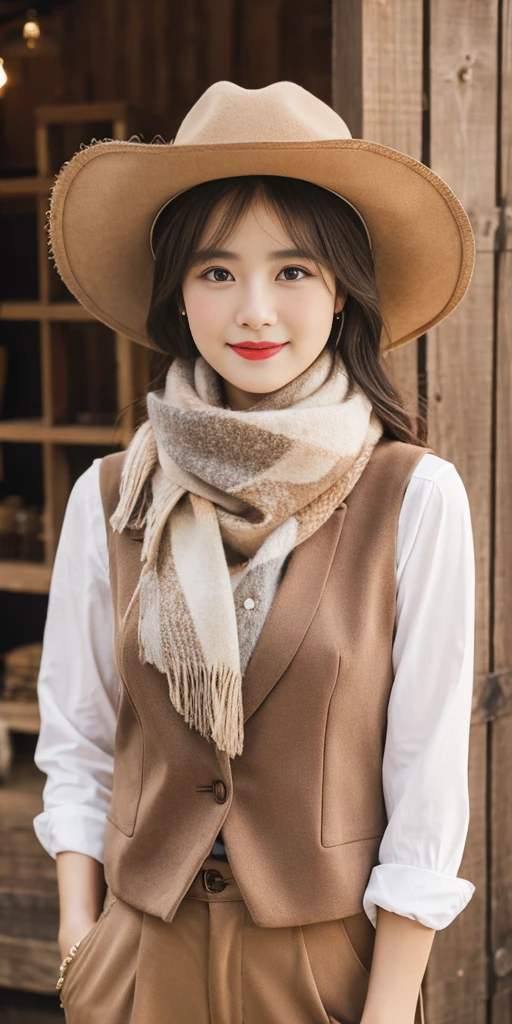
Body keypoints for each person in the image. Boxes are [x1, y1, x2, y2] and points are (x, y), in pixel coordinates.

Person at [33, 81, 476, 1024]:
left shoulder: (413, 497)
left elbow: (427, 779)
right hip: (134, 961)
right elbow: (77, 738)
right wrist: (81, 940)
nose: (255, 311)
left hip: (323, 975)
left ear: (344, 290)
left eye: (295, 270)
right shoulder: (110, 498)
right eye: (217, 272)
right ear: (178, 296)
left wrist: (389, 1009)